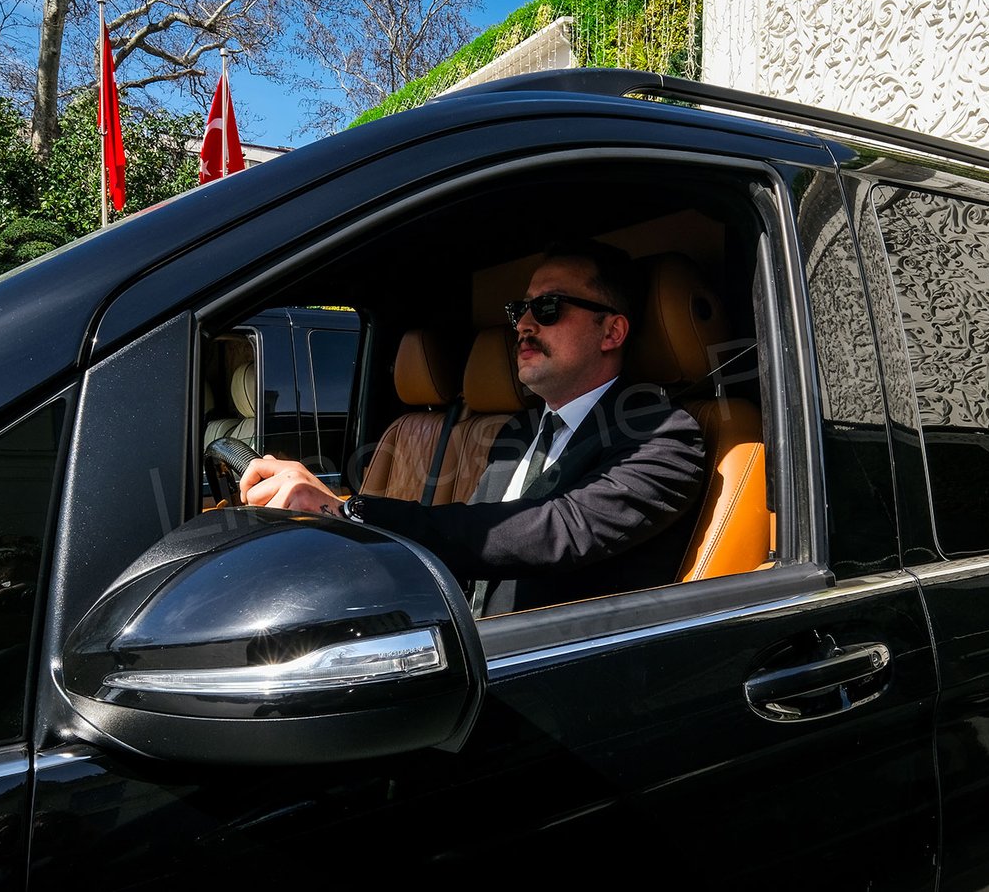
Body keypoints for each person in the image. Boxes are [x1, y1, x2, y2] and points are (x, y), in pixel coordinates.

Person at [239, 239, 707, 615]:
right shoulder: (519, 431)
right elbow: (472, 544)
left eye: (548, 307)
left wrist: (349, 511)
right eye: (520, 310)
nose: (523, 325)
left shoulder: (664, 437)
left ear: (612, 332)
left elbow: (554, 531)